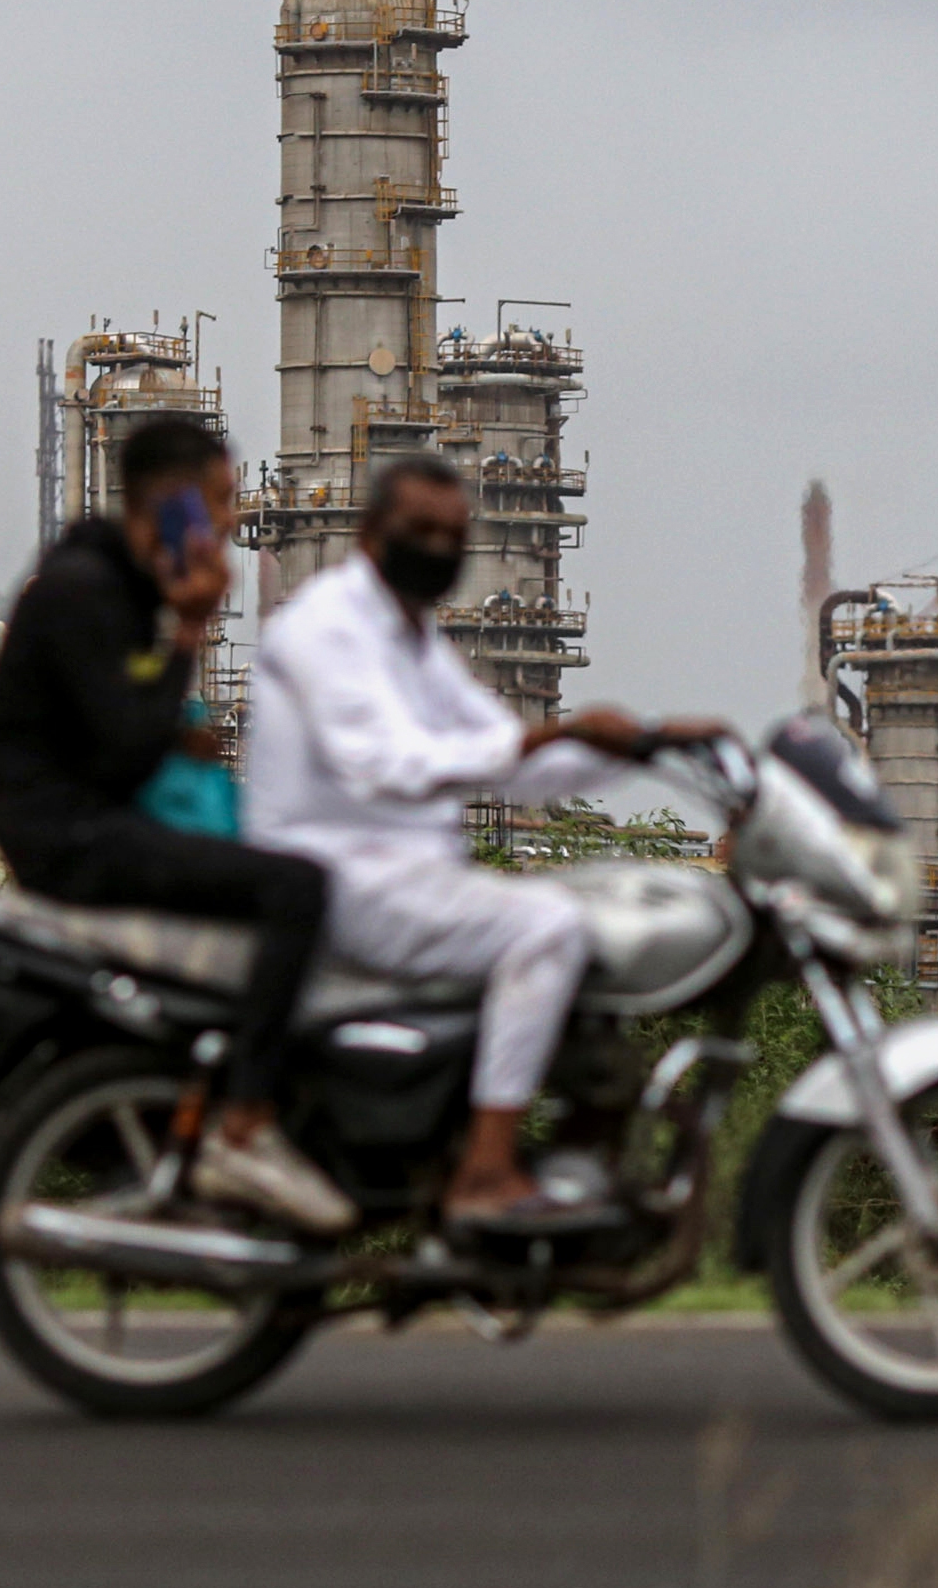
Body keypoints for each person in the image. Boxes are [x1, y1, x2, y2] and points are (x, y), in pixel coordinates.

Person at [243, 452, 710, 1234]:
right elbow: (384, 763)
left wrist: (645, 745)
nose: (435, 547)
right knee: (547, 927)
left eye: (451, 534)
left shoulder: (413, 638)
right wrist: (551, 735)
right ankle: (486, 1169)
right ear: (369, 533)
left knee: (595, 914)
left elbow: (505, 753)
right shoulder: (327, 625)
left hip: (407, 871)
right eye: (418, 530)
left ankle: (561, 1142)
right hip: (339, 875)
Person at [0, 416, 352, 1235]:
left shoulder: (102, 579)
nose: (228, 521)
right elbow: (121, 752)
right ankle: (247, 1124)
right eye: (219, 500)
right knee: (298, 890)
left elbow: (123, 719)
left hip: (83, 818)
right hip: (71, 835)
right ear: (173, 501)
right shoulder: (84, 591)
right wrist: (190, 631)